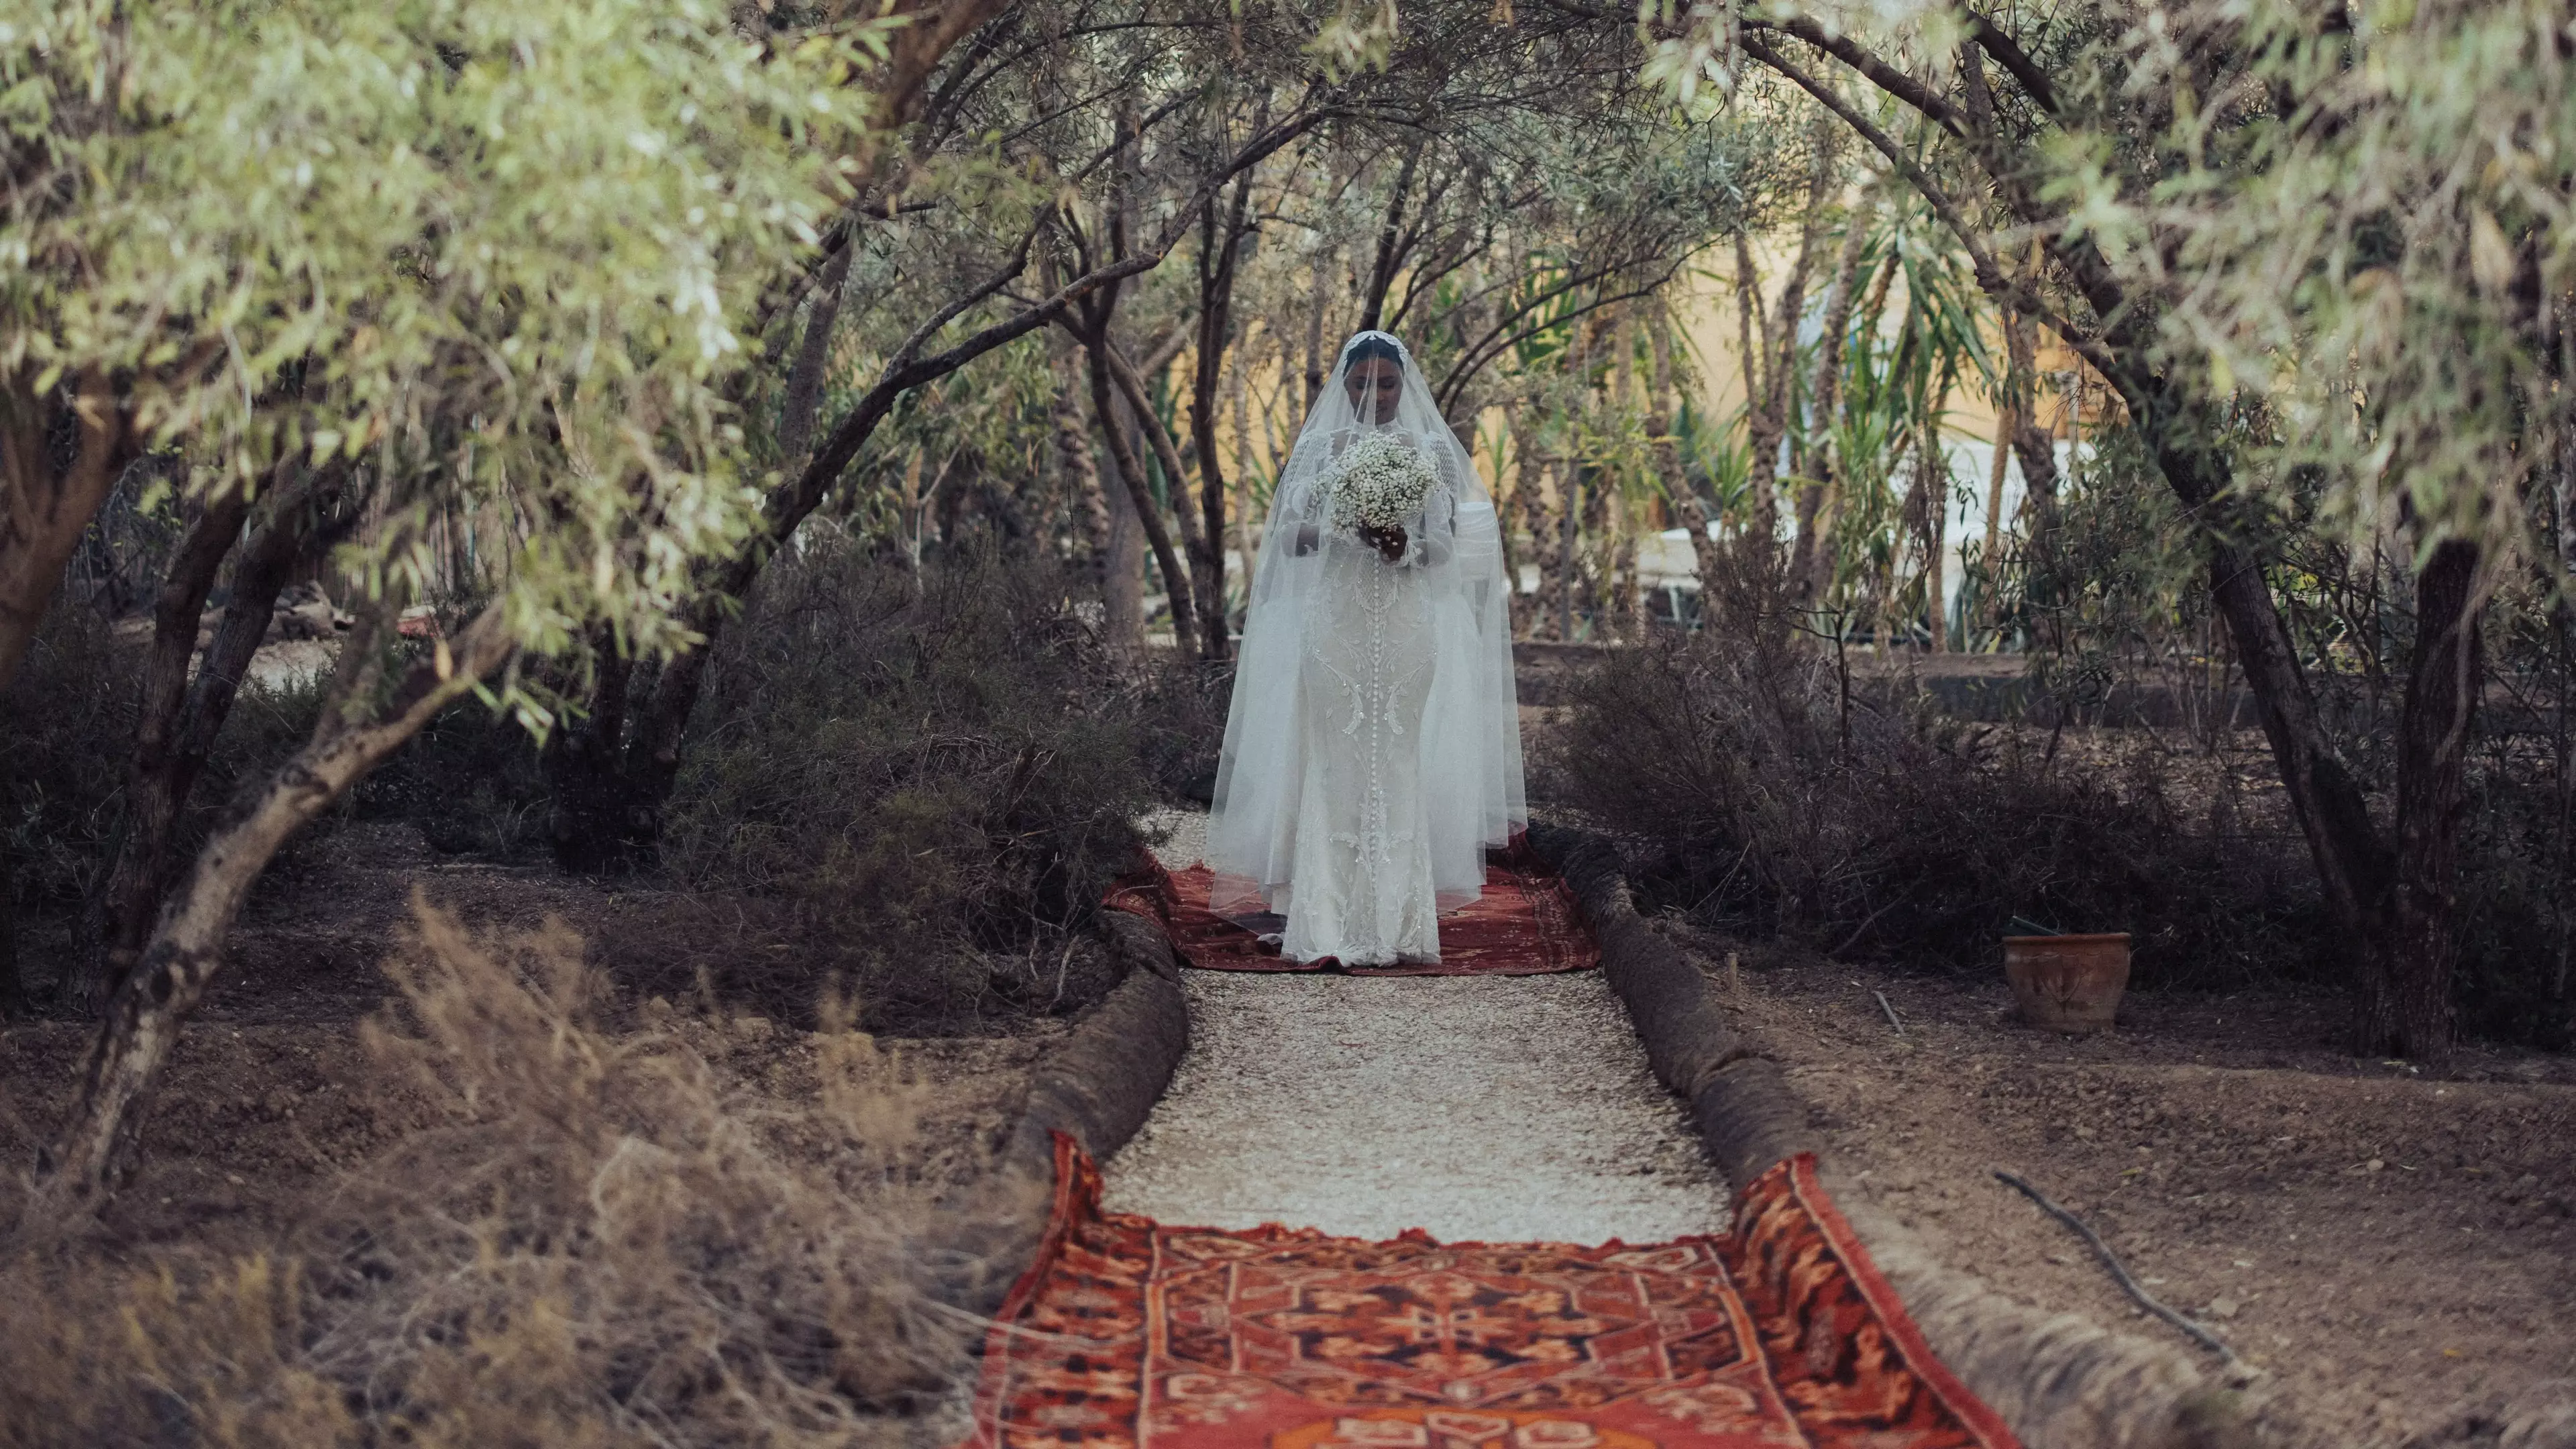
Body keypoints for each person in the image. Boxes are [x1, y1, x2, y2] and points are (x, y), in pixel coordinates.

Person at [1205, 331, 1525, 966]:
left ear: (1403, 385)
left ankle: (1397, 917)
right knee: (1333, 753)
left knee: (1397, 752)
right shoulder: (1321, 448)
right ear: (1344, 385)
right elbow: (1289, 539)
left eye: (1386, 383)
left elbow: (1446, 550)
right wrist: (1343, 524)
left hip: (1407, 624)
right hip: (1335, 625)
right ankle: (1321, 909)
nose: (1373, 394)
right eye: (1361, 382)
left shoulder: (1430, 449)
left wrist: (1402, 544)